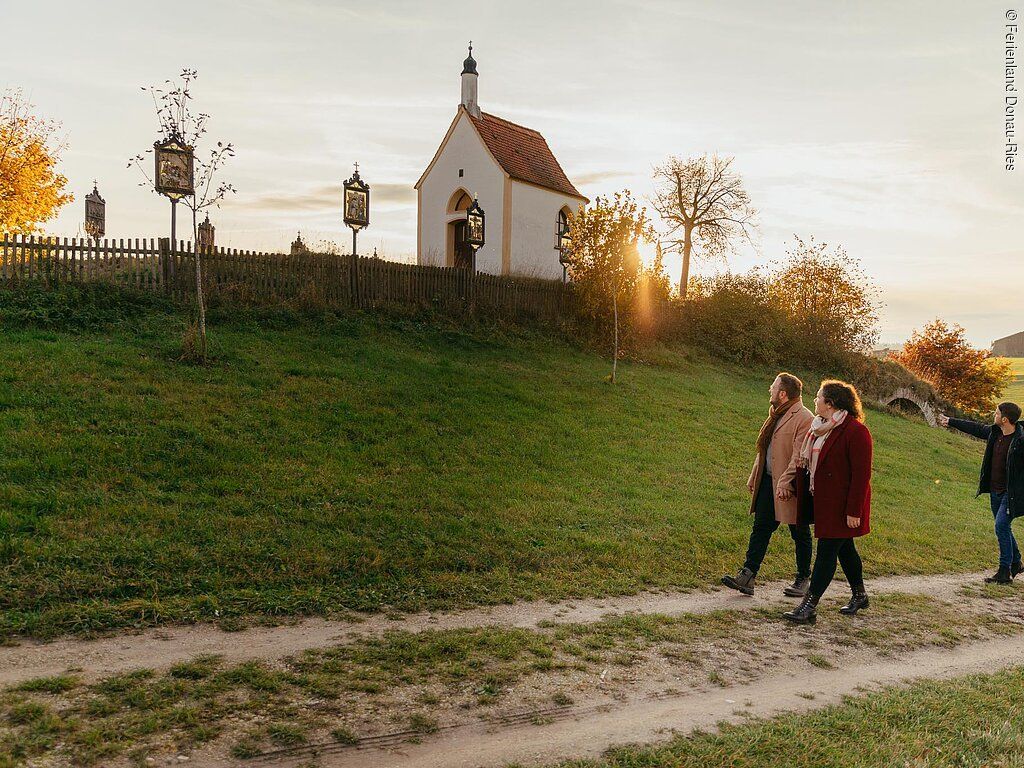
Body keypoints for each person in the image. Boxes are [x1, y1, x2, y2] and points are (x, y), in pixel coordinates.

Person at [783, 380, 872, 624]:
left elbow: (861, 476)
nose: (815, 401)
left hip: (843, 506)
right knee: (845, 550)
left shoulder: (856, 431)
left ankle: (809, 606)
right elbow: (811, 466)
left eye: (819, 397)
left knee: (826, 552)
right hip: (824, 501)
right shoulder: (818, 427)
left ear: (830, 403)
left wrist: (854, 511)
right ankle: (860, 595)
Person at [722, 373, 815, 597]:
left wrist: (784, 482)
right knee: (761, 527)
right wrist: (755, 475)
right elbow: (765, 449)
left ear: (783, 393)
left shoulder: (804, 417)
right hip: (767, 481)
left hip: (791, 485)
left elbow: (799, 456)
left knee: (799, 531)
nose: (769, 390)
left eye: (773, 387)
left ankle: (803, 579)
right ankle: (748, 575)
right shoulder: (775, 414)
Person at [937, 402, 1024, 584]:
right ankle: (1016, 562)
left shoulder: (1021, 440)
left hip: (1012, 493)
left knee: (1001, 526)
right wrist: (951, 421)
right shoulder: (994, 432)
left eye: (997, 413)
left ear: (1005, 419)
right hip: (995, 491)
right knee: (1003, 527)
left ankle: (1004, 572)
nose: (995, 415)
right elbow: (975, 428)